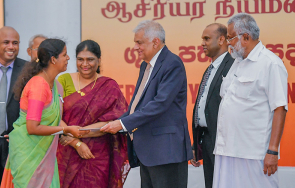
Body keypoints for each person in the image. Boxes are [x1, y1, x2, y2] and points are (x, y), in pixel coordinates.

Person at [101, 20, 193, 188]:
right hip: (149, 151)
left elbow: (160, 104)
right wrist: (116, 123)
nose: (135, 47)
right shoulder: (146, 66)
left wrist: (122, 123)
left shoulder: (172, 63)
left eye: (139, 42)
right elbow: (138, 105)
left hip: (166, 151)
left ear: (155, 42)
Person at [0, 39, 89, 188]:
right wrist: (66, 130)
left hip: (44, 153)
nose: (68, 58)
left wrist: (72, 131)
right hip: (28, 154)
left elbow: (52, 119)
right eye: (65, 55)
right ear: (53, 59)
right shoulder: (38, 85)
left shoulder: (55, 85)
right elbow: (32, 127)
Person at [212, 13, 288, 188]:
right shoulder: (237, 63)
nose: (228, 43)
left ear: (245, 37)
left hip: (253, 153)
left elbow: (279, 108)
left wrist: (272, 151)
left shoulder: (270, 63)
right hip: (227, 150)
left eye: (230, 38)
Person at [56, 40, 129, 188]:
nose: (85, 64)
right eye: (80, 59)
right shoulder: (63, 80)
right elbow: (54, 115)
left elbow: (113, 121)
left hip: (97, 154)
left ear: (99, 60)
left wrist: (76, 134)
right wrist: (76, 143)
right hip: (66, 151)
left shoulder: (109, 85)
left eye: (90, 59)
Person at [190, 23, 234, 188]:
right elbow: (204, 107)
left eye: (207, 38)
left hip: (224, 142)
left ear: (222, 39)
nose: (202, 43)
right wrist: (196, 142)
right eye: (202, 39)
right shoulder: (210, 68)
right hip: (207, 139)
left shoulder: (232, 66)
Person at [0, 26, 26, 187]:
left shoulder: (28, 70)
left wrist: (20, 132)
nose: (11, 47)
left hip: (14, 143)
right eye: (6, 42)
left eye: (15, 43)